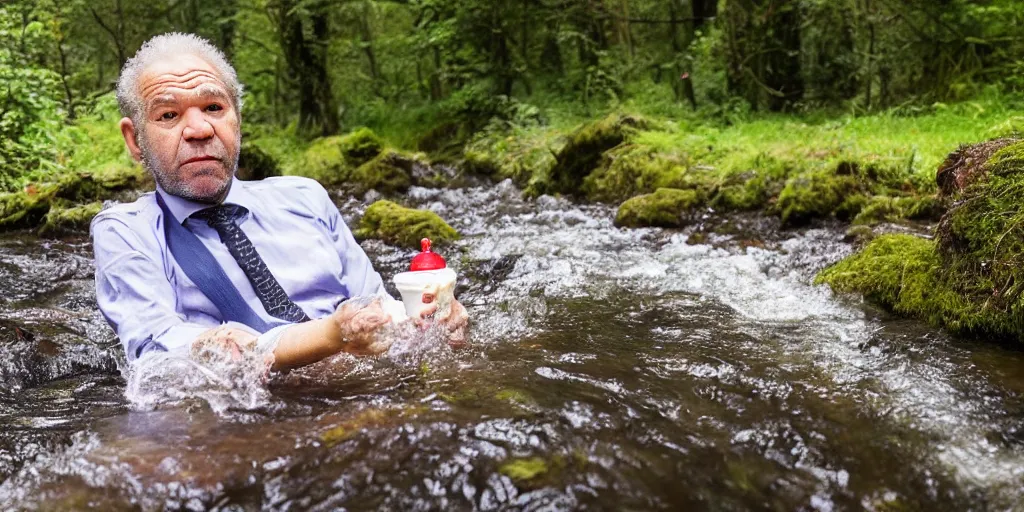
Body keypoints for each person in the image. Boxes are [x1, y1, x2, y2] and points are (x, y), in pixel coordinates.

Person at [91, 33, 468, 370]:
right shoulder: (126, 233)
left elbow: (376, 309)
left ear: (237, 119)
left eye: (214, 108)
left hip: (368, 394)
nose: (200, 129)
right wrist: (331, 336)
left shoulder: (305, 198)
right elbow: (160, 361)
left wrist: (426, 322)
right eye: (169, 115)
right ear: (135, 140)